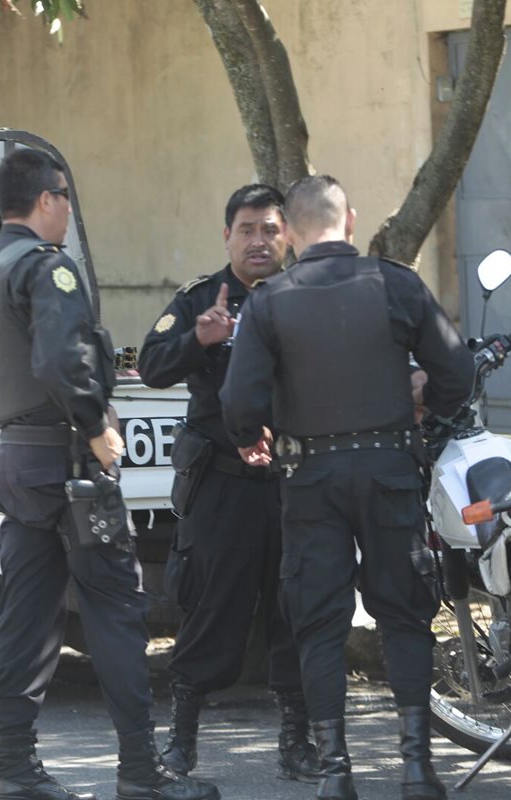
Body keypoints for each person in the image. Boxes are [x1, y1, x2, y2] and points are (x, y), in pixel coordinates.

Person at [0, 148, 219, 800]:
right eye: (65, 200)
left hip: (19, 462)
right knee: (115, 611)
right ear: (47, 199)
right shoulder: (48, 270)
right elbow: (60, 363)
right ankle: (141, 771)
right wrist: (95, 426)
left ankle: (15, 767)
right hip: (69, 464)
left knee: (26, 615)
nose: (67, 214)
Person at [220, 175, 474, 800]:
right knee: (405, 614)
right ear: (350, 222)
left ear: (292, 234)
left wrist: (251, 435)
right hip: (390, 470)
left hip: (310, 478)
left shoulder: (270, 300)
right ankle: (418, 769)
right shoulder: (396, 283)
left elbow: (239, 399)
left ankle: (336, 774)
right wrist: (428, 407)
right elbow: (456, 371)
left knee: (319, 621)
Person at [138, 184, 317, 781]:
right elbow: (154, 365)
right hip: (222, 483)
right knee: (213, 608)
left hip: (292, 480)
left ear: (286, 234)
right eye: (246, 229)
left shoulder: (305, 294)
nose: (258, 240)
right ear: (227, 236)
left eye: (269, 229)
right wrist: (201, 338)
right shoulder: (198, 298)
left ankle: (297, 744)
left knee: (297, 607)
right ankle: (181, 743)